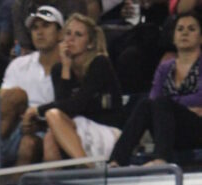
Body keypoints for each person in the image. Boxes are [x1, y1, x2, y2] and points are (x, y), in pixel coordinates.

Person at [109, 10, 202, 166]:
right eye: (180, 29)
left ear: (201, 37)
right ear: (173, 37)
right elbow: (154, 100)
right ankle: (116, 160)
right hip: (169, 128)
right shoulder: (165, 68)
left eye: (191, 29)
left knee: (160, 103)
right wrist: (185, 106)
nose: (185, 33)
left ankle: (161, 159)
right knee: (145, 103)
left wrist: (171, 104)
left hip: (197, 129)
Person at [0, 5, 63, 166]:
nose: (39, 32)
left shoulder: (68, 67)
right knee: (15, 95)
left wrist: (37, 122)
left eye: (46, 26)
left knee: (28, 143)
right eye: (35, 28)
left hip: (45, 129)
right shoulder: (19, 64)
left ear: (60, 33)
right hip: (12, 126)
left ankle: (12, 181)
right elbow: (4, 100)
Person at [37, 13, 123, 163]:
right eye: (68, 33)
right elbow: (63, 106)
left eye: (78, 35)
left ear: (90, 43)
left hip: (106, 131)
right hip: (77, 128)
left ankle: (86, 167)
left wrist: (38, 110)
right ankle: (71, 174)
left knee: (52, 115)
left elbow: (76, 105)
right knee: (50, 137)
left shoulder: (100, 63)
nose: (70, 39)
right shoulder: (59, 69)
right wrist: (65, 67)